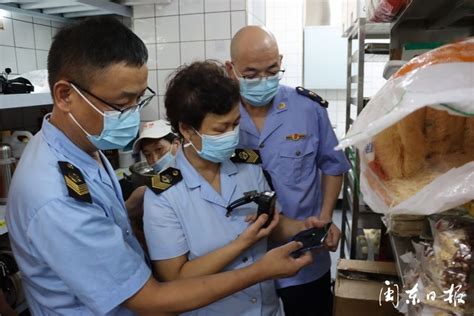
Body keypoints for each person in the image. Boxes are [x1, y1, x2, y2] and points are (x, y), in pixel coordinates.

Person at [5, 17, 313, 315]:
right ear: (65, 95)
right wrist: (260, 270)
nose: (133, 116)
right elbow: (150, 299)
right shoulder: (55, 194)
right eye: (122, 104)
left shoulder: (83, 150)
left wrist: (124, 210)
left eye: (139, 100)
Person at [143, 60, 328, 316]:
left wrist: (304, 227)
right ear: (186, 130)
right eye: (220, 129)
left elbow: (270, 224)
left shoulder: (247, 165)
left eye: (235, 124)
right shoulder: (164, 196)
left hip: (267, 308)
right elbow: (174, 278)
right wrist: (242, 244)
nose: (232, 134)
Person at [226, 26, 351, 316]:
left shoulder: (307, 108)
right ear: (231, 69)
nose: (262, 80)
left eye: (271, 71)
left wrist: (323, 219)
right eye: (251, 74)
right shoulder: (220, 116)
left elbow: (333, 166)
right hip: (244, 262)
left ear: (281, 61)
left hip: (304, 257)